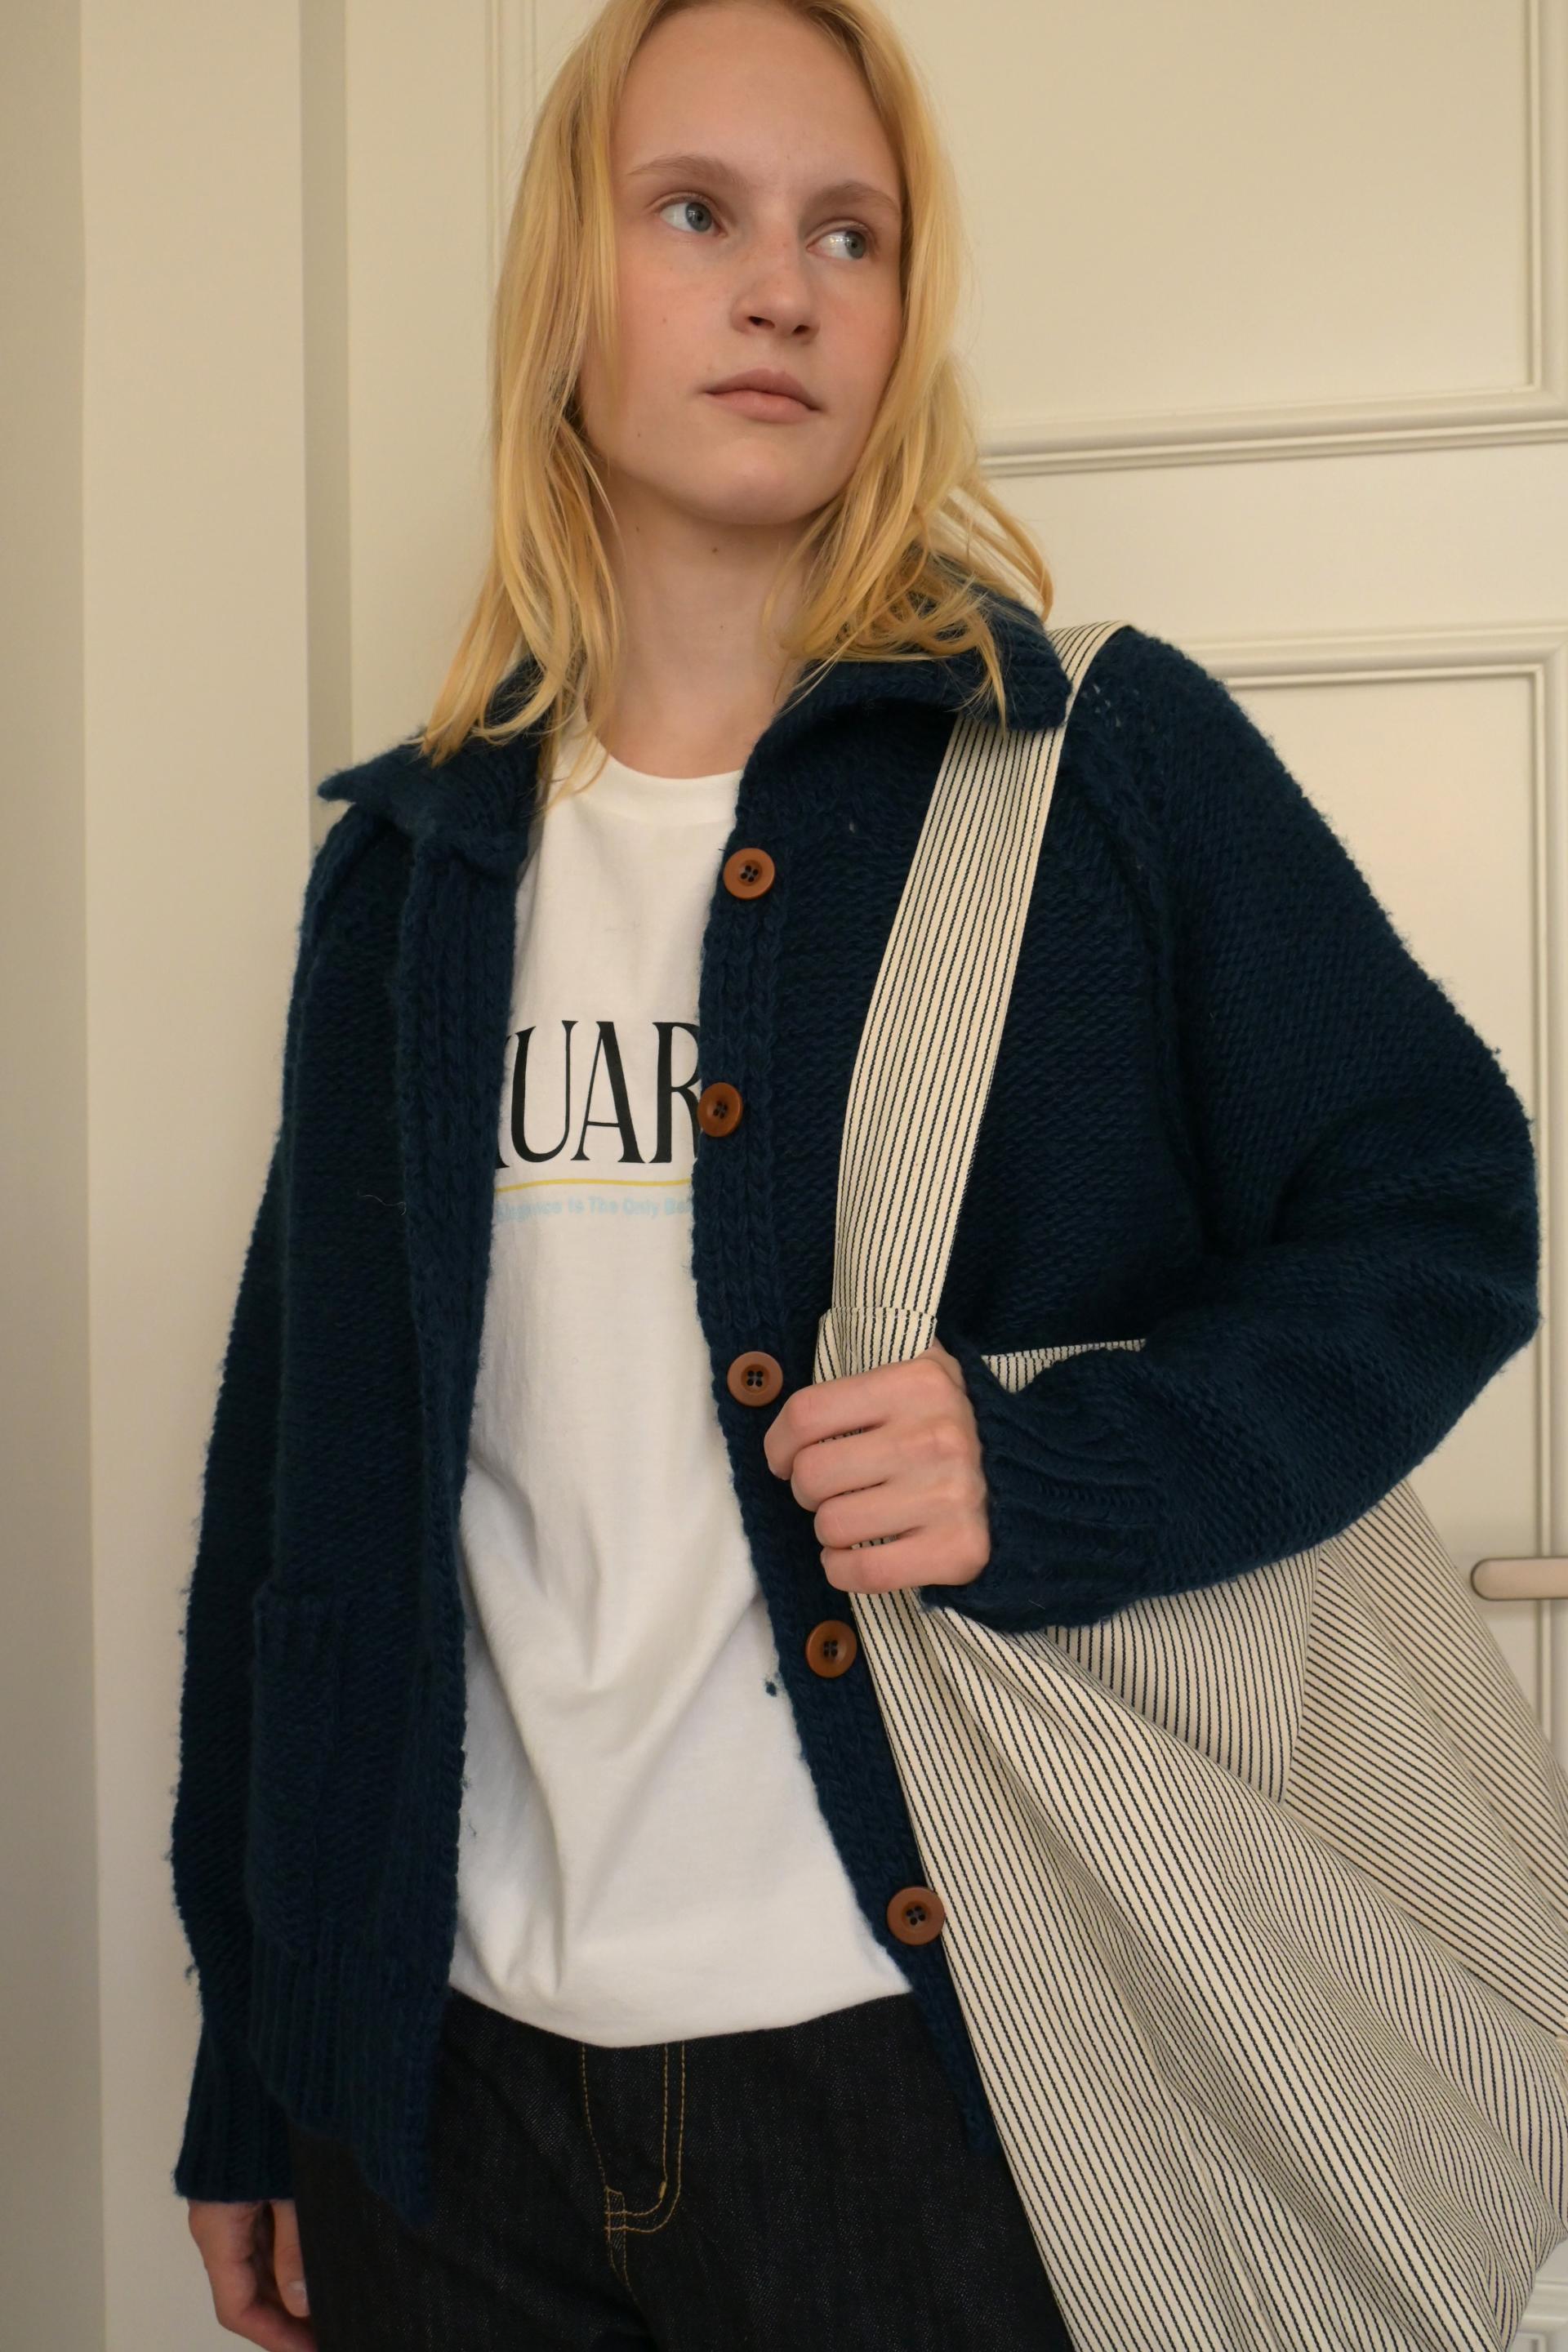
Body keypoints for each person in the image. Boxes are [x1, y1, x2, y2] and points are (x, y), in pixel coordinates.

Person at [171, 0, 1542, 2345]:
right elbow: (293, 1505)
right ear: (565, 289)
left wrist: (1059, 1468)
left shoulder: (1087, 763)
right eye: (694, 213)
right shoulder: (411, 873)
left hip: (935, 2075)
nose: (781, 289)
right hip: (447, 2102)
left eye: (850, 235)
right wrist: (258, 2065)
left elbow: (1444, 1209)